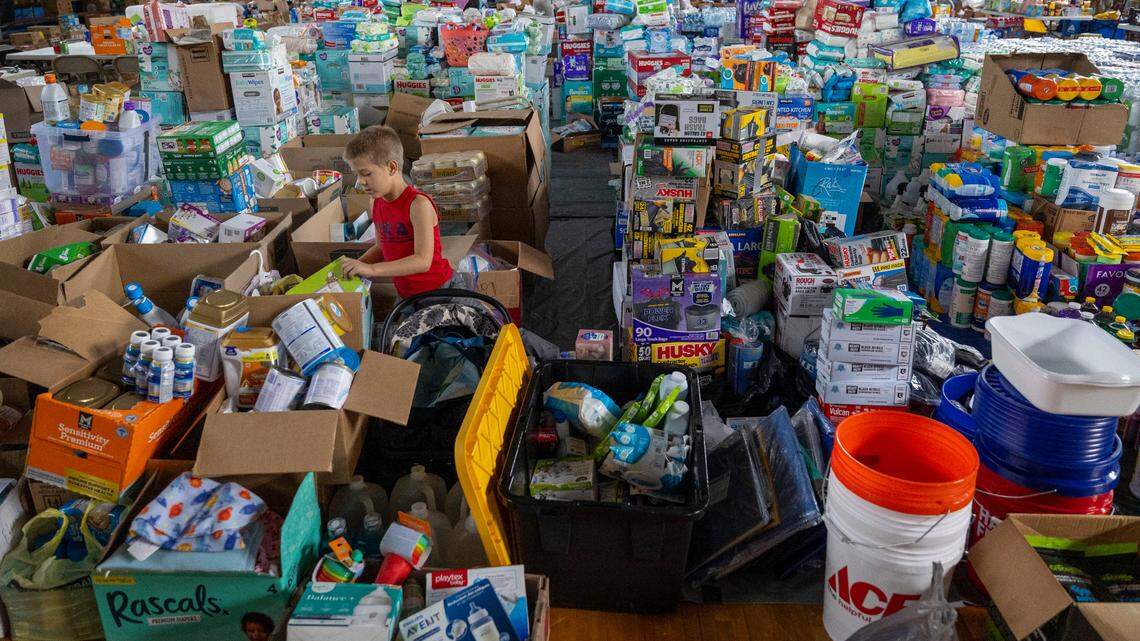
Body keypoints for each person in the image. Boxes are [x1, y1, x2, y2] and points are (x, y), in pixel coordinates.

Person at [341, 125, 459, 298]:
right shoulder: (376, 202)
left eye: (365, 173)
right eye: (356, 174)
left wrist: (371, 269)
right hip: (406, 294)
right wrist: (357, 264)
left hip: (440, 291)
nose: (360, 182)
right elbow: (381, 248)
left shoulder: (418, 205)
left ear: (392, 167)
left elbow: (422, 261)